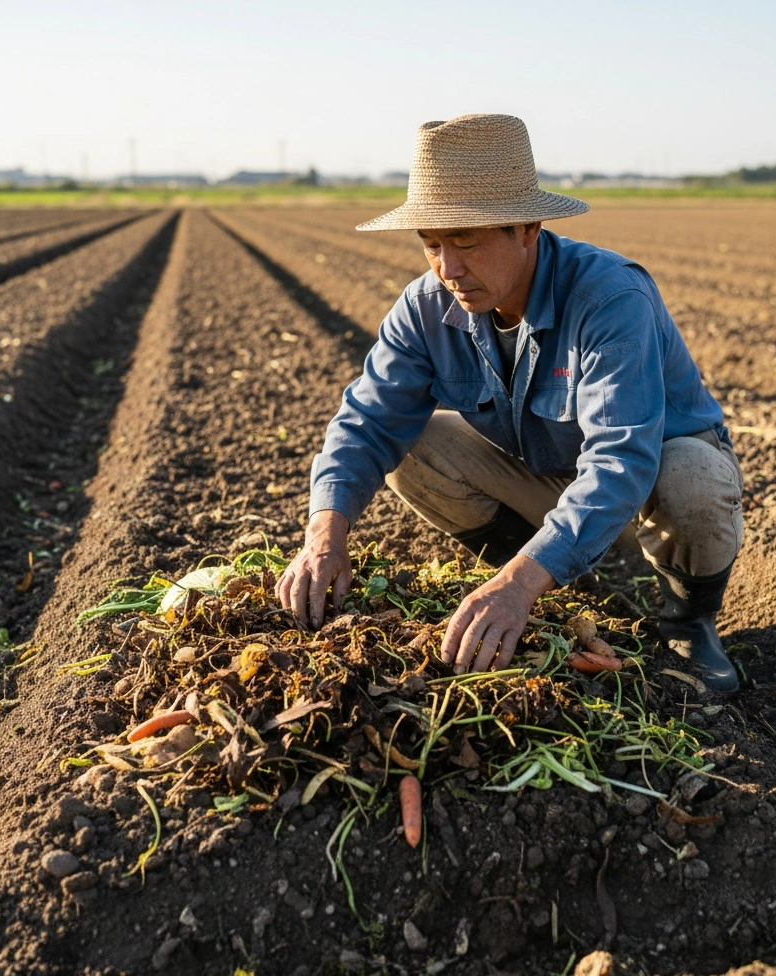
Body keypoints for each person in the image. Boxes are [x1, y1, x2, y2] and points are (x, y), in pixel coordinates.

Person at [275, 114, 744, 694]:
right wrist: (325, 533)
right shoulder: (425, 308)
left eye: (466, 242)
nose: (448, 268)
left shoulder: (608, 298)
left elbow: (621, 460)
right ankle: (547, 582)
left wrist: (519, 586)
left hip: (645, 492)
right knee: (416, 448)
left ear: (527, 228)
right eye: (432, 245)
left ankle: (687, 623)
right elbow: (366, 421)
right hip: (545, 478)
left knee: (692, 476)